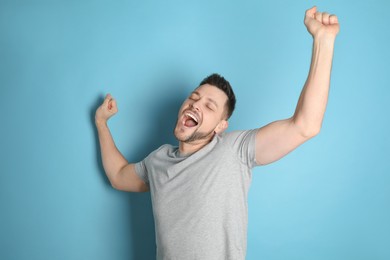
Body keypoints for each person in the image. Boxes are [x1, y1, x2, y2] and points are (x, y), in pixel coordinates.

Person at [95, 6, 340, 260]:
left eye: (209, 106)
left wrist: (324, 41)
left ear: (221, 126)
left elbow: (305, 125)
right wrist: (102, 123)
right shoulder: (158, 161)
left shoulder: (234, 151)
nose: (195, 105)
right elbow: (118, 176)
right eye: (193, 98)